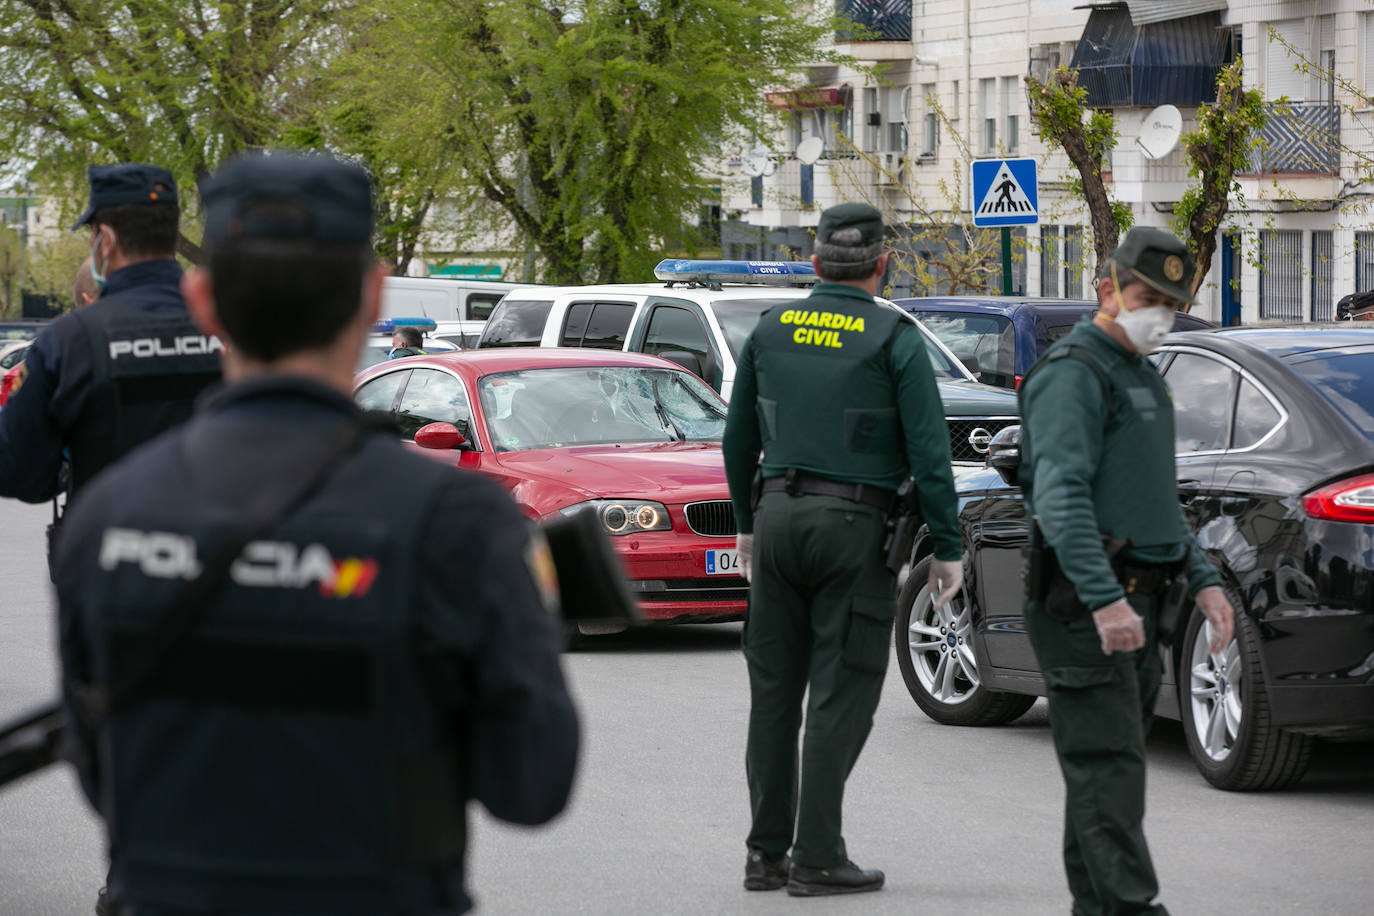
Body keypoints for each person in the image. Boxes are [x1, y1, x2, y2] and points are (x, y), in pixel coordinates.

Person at [54, 151, 579, 916]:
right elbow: (531, 786)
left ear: (203, 302)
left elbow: (103, 772)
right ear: (372, 293)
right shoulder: (460, 523)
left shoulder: (106, 517)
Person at [722, 202, 963, 897]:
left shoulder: (769, 331)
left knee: (773, 694)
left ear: (815, 264)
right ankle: (818, 856)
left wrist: (745, 524)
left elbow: (738, 441)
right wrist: (946, 547)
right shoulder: (894, 335)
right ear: (883, 266)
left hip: (775, 521)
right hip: (854, 528)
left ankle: (765, 854)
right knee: (839, 693)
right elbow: (930, 453)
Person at [1018, 226, 1236, 916]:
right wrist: (1106, 600)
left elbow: (1152, 496)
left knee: (1106, 775)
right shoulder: (1073, 374)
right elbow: (1060, 497)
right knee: (1108, 771)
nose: (1160, 314)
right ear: (1107, 288)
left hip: (1142, 595)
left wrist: (1202, 578)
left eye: (1172, 303)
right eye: (1147, 297)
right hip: (1086, 606)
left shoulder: (1140, 374)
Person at [0, 163, 221, 506]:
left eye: (91, 234)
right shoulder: (230, 329)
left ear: (106, 240)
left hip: (104, 544)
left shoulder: (68, 342)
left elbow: (18, 472)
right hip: (217, 545)